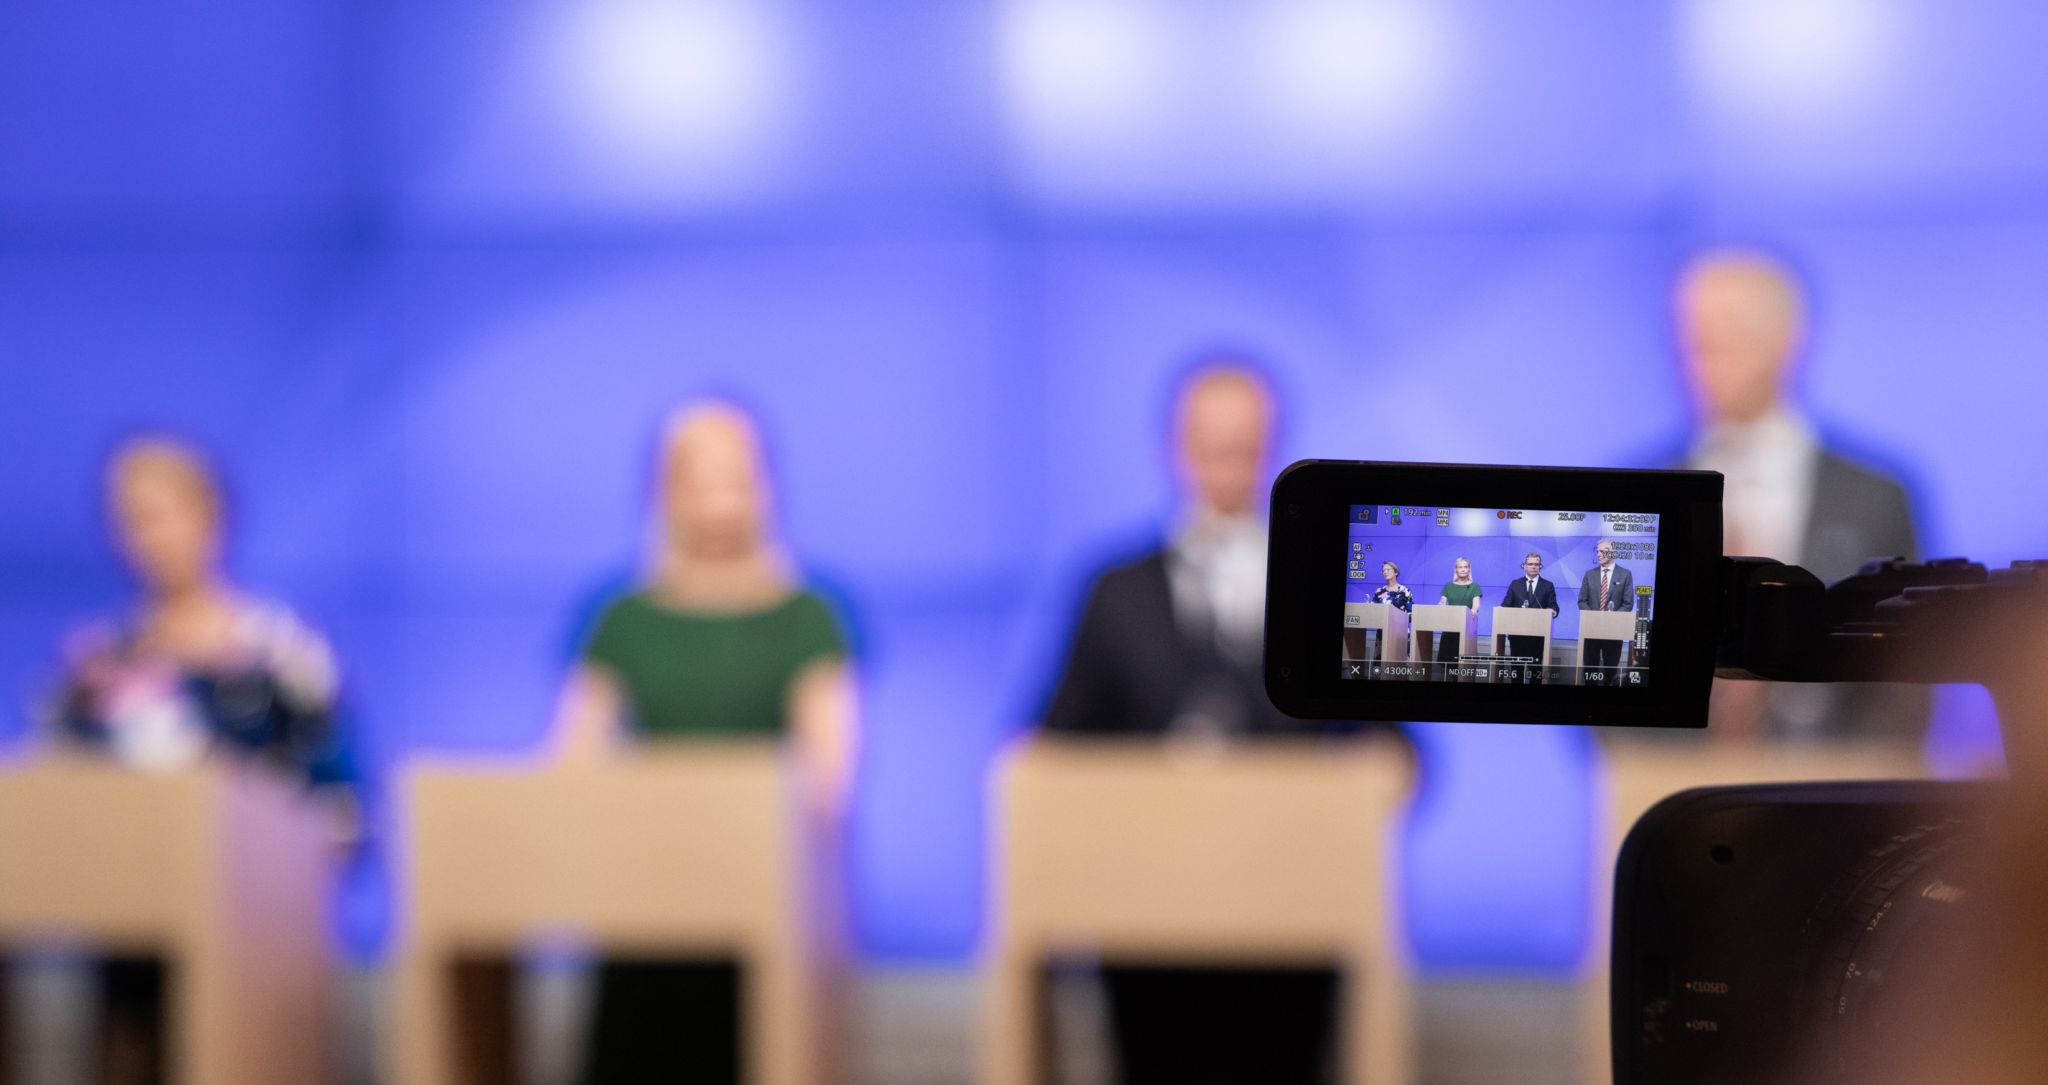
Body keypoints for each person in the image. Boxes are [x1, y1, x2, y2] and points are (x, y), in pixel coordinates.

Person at [1043, 361, 1366, 1084]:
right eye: (1211, 445)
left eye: (1245, 446)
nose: (1227, 464)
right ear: (1176, 447)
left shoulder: (1326, 585)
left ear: (1273, 447)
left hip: (1293, 917)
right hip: (1148, 929)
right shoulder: (1115, 590)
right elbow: (1055, 743)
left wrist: (1378, 765)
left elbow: (1389, 745)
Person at [551, 402, 855, 1085]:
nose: (720, 497)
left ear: (766, 485)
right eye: (699, 477)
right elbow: (572, 763)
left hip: (765, 911)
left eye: (736, 476)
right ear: (664, 490)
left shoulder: (808, 617)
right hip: (643, 908)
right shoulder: (623, 618)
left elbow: (829, 773)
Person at [40, 435, 352, 1085]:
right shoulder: (96, 665)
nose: (149, 537)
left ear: (212, 515)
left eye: (164, 514)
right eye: (131, 519)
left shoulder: (283, 655)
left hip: (262, 956)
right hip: (130, 953)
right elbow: (46, 799)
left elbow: (340, 809)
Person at [1673, 248, 1927, 742]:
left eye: (1730, 328)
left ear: (1788, 338)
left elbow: (1909, 673)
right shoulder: (1649, 494)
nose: (1705, 350)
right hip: (1669, 777)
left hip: (1833, 776)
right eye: (1693, 335)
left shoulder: (1875, 497)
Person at [1576, 539, 1635, 681]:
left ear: (1612, 552)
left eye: (1602, 551)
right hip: (1591, 629)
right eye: (1597, 551)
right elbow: (1582, 601)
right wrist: (1596, 617)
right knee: (1590, 670)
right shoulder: (1589, 574)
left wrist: (1610, 619)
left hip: (1614, 631)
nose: (1598, 554)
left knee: (1611, 671)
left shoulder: (1625, 574)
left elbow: (1628, 604)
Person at [1500, 551, 1559, 683]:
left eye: (1536, 564)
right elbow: (1506, 604)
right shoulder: (1515, 584)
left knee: (1535, 671)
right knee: (1517, 670)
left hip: (1538, 636)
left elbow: (1554, 606)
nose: (1533, 566)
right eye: (1530, 564)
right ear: (1524, 566)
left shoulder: (1547, 585)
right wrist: (1500, 609)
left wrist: (1553, 611)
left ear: (1540, 566)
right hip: (1517, 635)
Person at [1431, 556, 1484, 674]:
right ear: (1456, 569)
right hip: (1450, 628)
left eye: (1465, 567)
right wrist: (1439, 607)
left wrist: (1474, 610)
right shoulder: (1449, 586)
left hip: (1467, 628)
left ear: (1469, 569)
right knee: (1449, 665)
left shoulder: (1475, 586)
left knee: (1463, 666)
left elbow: (1476, 605)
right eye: (1460, 567)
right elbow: (1442, 603)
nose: (1463, 569)